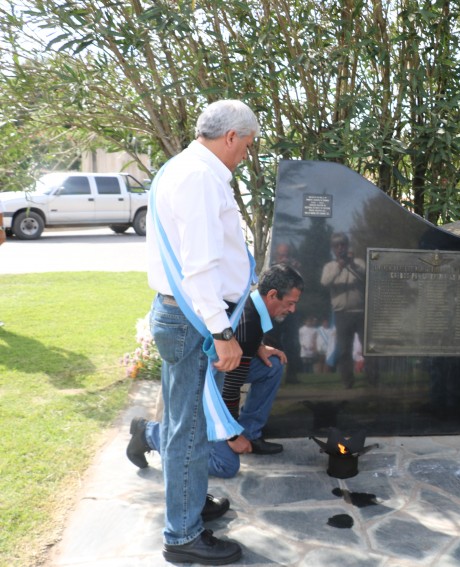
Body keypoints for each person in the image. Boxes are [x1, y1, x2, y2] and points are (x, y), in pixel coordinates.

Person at [144, 99, 259, 565]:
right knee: (189, 433)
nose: (246, 155)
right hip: (194, 319)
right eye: (247, 146)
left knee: (183, 426)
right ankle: (183, 536)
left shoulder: (189, 168)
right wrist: (222, 333)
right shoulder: (197, 179)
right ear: (230, 137)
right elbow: (200, 267)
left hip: (185, 315)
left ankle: (188, 506)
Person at [127, 264, 303, 477]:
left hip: (221, 375)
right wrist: (231, 437)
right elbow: (228, 389)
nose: (293, 309)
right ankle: (148, 433)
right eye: (290, 303)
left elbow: (242, 343)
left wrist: (259, 347)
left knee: (272, 366)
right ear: (273, 295)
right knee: (226, 466)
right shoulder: (249, 324)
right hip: (208, 388)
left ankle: (250, 434)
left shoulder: (251, 303)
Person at [320, 232, 377, 388]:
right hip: (341, 314)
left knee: (368, 348)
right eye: (337, 246)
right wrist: (339, 266)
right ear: (333, 249)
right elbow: (325, 282)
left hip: (360, 312)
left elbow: (366, 276)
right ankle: (347, 381)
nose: (340, 248)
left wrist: (351, 265)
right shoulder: (330, 267)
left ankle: (372, 380)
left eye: (343, 245)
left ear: (347, 246)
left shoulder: (358, 263)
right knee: (345, 349)